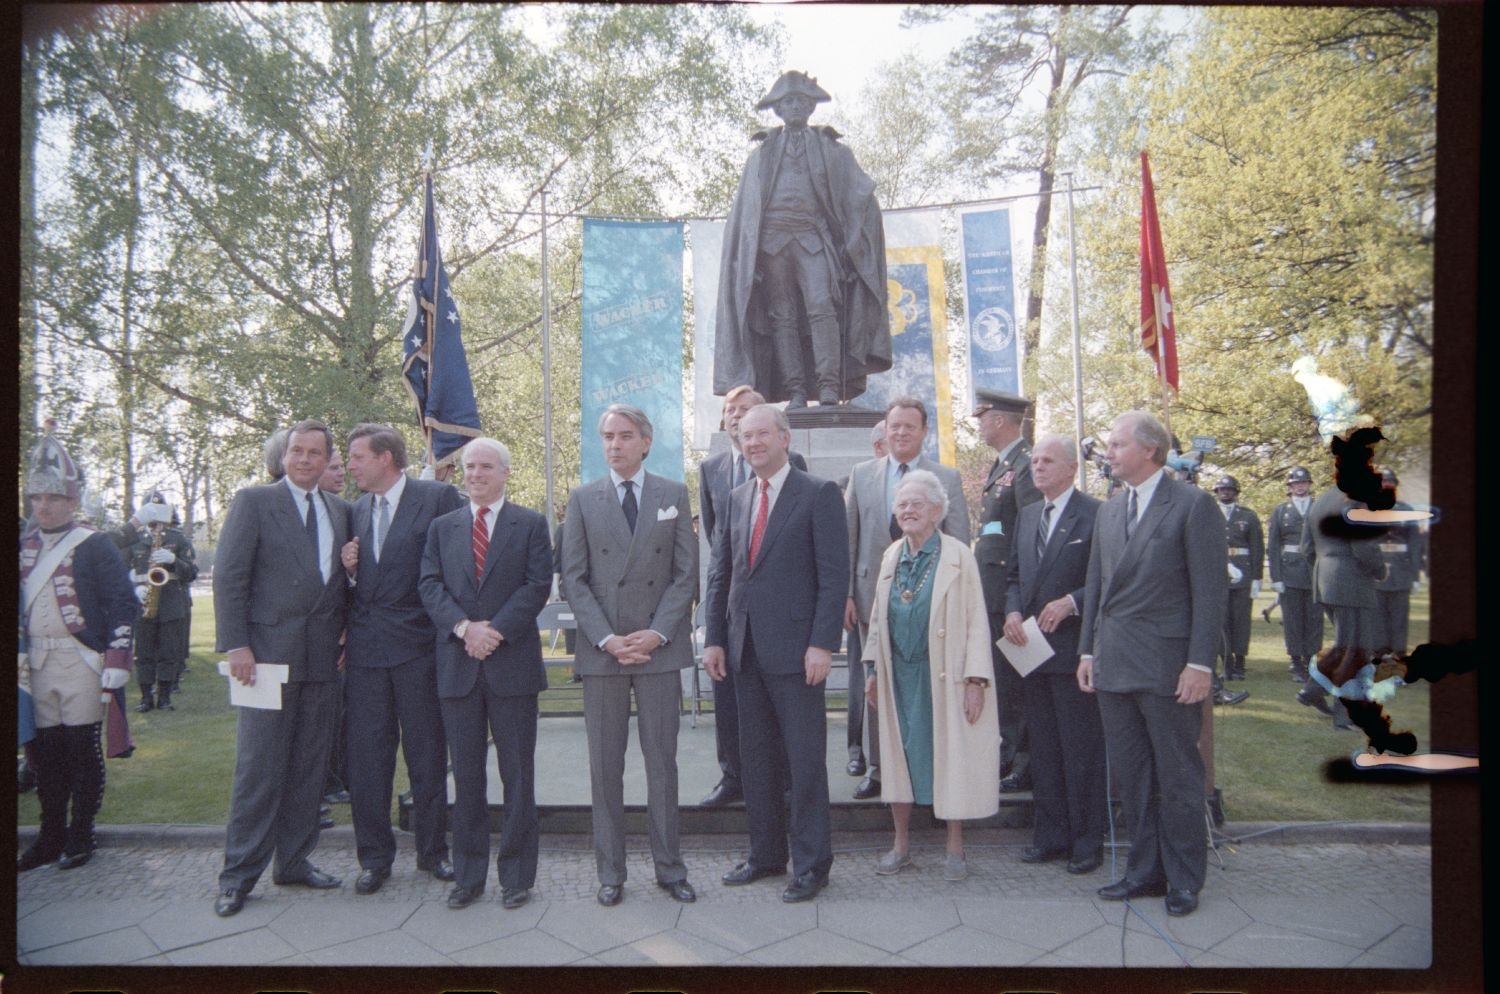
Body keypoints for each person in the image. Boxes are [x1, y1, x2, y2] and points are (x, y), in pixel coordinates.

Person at [1078, 411, 1227, 918]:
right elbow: (1098, 589)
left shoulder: (1192, 505)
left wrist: (1200, 663)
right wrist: (1088, 651)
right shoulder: (1109, 511)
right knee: (1134, 776)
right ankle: (1143, 871)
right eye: (1110, 445)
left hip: (1167, 666)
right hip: (1115, 663)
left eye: (1118, 444)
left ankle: (1184, 877)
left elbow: (1210, 594)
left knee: (1179, 775)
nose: (1109, 452)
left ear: (1150, 450)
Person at [702, 404, 849, 902]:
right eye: (745, 436)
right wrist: (715, 637)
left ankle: (811, 865)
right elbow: (722, 574)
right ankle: (765, 855)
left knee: (804, 763)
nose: (754, 443)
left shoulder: (819, 493)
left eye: (763, 433)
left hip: (798, 654)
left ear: (784, 438)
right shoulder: (737, 497)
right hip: (743, 651)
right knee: (757, 759)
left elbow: (834, 577)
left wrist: (823, 644)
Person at [561, 404, 698, 907]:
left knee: (662, 763)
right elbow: (573, 578)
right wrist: (606, 639)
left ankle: (670, 868)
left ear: (646, 440)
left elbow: (687, 574)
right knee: (605, 766)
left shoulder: (673, 495)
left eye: (624, 436)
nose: (614, 445)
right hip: (604, 655)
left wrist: (657, 633)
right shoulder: (583, 499)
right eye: (607, 437)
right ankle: (610, 872)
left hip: (657, 653)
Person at [213, 420, 352, 916]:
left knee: (309, 770)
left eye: (316, 453)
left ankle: (294, 862)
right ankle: (238, 875)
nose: (305, 460)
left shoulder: (341, 510)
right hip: (263, 661)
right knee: (259, 768)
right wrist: (236, 646)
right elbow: (229, 578)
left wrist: (345, 631)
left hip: (321, 662)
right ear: (284, 455)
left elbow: (341, 585)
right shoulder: (254, 503)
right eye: (297, 451)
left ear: (326, 459)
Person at [418, 437, 552, 911]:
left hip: (511, 666)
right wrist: (463, 628)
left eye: (485, 467)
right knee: (468, 778)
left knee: (518, 776)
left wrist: (493, 632)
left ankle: (516, 876)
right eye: (469, 467)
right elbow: (429, 585)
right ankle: (469, 876)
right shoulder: (441, 528)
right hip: (458, 667)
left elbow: (537, 585)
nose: (475, 474)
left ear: (505, 473)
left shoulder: (530, 525)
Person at [713, 71, 890, 408]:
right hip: (771, 246)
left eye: (800, 101)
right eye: (787, 101)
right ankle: (794, 391)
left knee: (823, 309)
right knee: (782, 315)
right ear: (778, 110)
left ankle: (827, 387)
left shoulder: (834, 151)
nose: (794, 106)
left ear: (811, 106)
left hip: (813, 240)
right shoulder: (760, 156)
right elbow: (745, 215)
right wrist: (749, 260)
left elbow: (860, 197)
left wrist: (852, 246)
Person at [339, 424, 465, 895]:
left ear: (385, 458)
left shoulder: (436, 499)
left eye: (356, 457)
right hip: (367, 657)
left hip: (420, 652)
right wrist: (350, 573)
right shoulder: (353, 512)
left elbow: (454, 574)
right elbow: (351, 591)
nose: (349, 466)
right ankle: (373, 858)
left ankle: (434, 853)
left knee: (427, 755)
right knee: (367, 761)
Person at [862, 470, 998, 880]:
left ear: (937, 511)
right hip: (898, 674)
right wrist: (871, 669)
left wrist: (975, 680)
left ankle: (954, 847)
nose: (907, 511)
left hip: (945, 673)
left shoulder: (959, 556)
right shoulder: (891, 556)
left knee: (948, 754)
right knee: (899, 755)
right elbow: (875, 618)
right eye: (901, 504)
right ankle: (900, 844)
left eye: (916, 504)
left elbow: (977, 621)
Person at [18, 434, 137, 871]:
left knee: (81, 749)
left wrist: (118, 658)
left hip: (80, 659)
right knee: (45, 756)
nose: (43, 506)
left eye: (52, 497)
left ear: (71, 500)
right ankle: (50, 837)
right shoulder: (25, 545)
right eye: (36, 497)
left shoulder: (93, 543)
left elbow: (124, 603)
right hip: (35, 664)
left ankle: (81, 834)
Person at [843, 397, 969, 800]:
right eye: (893, 426)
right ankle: (880, 770)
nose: (900, 433)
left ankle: (927, 767)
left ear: (923, 431)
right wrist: (846, 595)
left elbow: (960, 540)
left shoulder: (946, 478)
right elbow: (849, 539)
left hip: (932, 608)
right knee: (877, 685)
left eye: (908, 427)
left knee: (927, 686)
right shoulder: (862, 475)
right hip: (871, 601)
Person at [1000, 435, 1107, 875]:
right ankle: (1050, 835)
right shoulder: (1027, 516)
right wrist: (1010, 610)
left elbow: (1108, 577)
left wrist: (1072, 602)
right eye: (1035, 461)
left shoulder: (1097, 514)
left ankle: (1086, 841)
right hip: (1031, 652)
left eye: (1047, 461)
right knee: (1042, 749)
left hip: (1072, 653)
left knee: (1079, 749)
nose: (1037, 467)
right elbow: (1014, 575)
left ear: (1070, 469)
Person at [695, 384, 805, 808]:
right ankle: (732, 777)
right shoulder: (712, 470)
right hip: (732, 605)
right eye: (730, 410)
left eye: (745, 409)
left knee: (777, 708)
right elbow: (716, 540)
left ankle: (786, 779)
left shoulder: (792, 465)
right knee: (729, 700)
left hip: (778, 612)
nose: (737, 416)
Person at [972, 389, 1043, 793]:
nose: (979, 425)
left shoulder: (1026, 465)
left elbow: (1030, 533)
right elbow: (996, 530)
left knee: (1019, 683)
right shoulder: (1002, 466)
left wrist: (1020, 596)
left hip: (1014, 596)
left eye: (982, 417)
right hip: (996, 592)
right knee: (1004, 679)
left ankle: (1024, 762)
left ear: (1000, 420)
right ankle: (1008, 754)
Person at [1295, 477, 1388, 727]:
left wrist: (1326, 572)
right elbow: (1363, 546)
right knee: (1355, 648)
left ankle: (1313, 689)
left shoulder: (1320, 501)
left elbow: (1306, 548)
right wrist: (1381, 570)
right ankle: (1345, 714)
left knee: (1346, 644)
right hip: (1351, 583)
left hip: (1325, 580)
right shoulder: (1355, 499)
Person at [112, 492, 198, 713]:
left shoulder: (177, 539)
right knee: (144, 653)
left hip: (171, 602)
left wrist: (173, 560)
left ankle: (165, 696)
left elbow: (191, 572)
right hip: (143, 601)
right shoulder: (134, 539)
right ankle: (145, 697)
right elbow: (119, 571)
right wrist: (135, 587)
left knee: (169, 652)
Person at [1267, 466, 1323, 682]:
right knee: (1292, 619)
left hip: (1314, 571)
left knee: (1314, 618)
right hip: (1289, 571)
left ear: (1309, 484)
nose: (1299, 486)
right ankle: (1295, 661)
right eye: (1295, 484)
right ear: (1289, 488)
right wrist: (1276, 578)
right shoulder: (1281, 511)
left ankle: (1312, 660)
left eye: (1303, 483)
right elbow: (1273, 547)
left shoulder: (1319, 508)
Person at [320, 444, 351, 811]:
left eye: (344, 466)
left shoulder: (344, 512)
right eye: (335, 467)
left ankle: (334, 777)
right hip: (297, 640)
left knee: (336, 714)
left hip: (338, 635)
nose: (342, 473)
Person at [1211, 476, 1263, 683]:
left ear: (1236, 492)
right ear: (1217, 492)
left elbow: (1257, 548)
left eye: (1229, 489)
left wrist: (1257, 577)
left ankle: (1240, 663)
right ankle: (1226, 664)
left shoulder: (1248, 516)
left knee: (1241, 620)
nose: (1225, 492)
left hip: (1243, 572)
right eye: (1222, 489)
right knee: (1221, 620)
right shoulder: (1208, 513)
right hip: (1217, 572)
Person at [1371, 468, 1425, 654]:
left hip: (1401, 573)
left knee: (1399, 620)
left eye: (1390, 484)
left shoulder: (1407, 510)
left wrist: (1416, 576)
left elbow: (1416, 545)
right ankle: (1379, 660)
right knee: (1377, 620)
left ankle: (1398, 661)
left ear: (1394, 487)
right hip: (1376, 573)